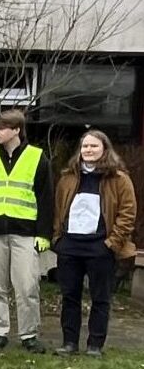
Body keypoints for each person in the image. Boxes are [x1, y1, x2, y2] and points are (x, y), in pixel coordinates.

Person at [0, 109, 55, 354]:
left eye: (2, 128)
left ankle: (29, 335)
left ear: (16, 130)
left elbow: (46, 198)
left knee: (27, 287)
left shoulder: (37, 157)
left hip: (25, 232)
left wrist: (44, 234)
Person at [52, 130, 137, 357]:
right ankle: (69, 343)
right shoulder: (68, 178)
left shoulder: (119, 179)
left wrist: (111, 243)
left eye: (93, 146)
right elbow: (58, 209)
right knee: (70, 297)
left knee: (100, 298)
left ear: (105, 149)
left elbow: (127, 214)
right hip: (70, 246)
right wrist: (58, 239)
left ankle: (95, 345)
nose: (88, 150)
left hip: (100, 247)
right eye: (85, 146)